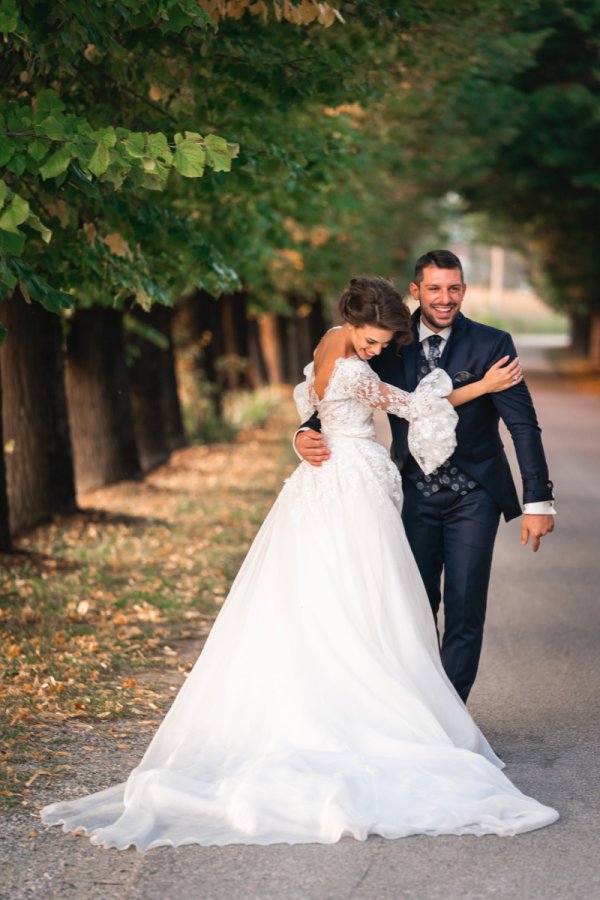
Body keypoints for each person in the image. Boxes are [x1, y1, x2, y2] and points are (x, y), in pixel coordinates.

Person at [41, 276, 557, 850]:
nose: (380, 350)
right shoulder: (356, 363)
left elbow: (320, 400)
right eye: (376, 340)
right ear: (376, 312)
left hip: (329, 487)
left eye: (386, 343)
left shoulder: (330, 343)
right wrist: (480, 385)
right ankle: (383, 718)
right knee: (368, 600)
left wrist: (535, 491)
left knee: (327, 593)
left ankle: (422, 714)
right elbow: (412, 408)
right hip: (351, 485)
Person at [296, 252, 555, 702]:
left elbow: (523, 426)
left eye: (454, 288)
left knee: (464, 608)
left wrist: (538, 499)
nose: (445, 298)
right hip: (407, 493)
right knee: (411, 609)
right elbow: (335, 391)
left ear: (464, 290)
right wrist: (303, 434)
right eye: (434, 288)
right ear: (416, 291)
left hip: (474, 495)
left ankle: (448, 716)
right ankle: (413, 706)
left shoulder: (493, 343)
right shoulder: (385, 339)